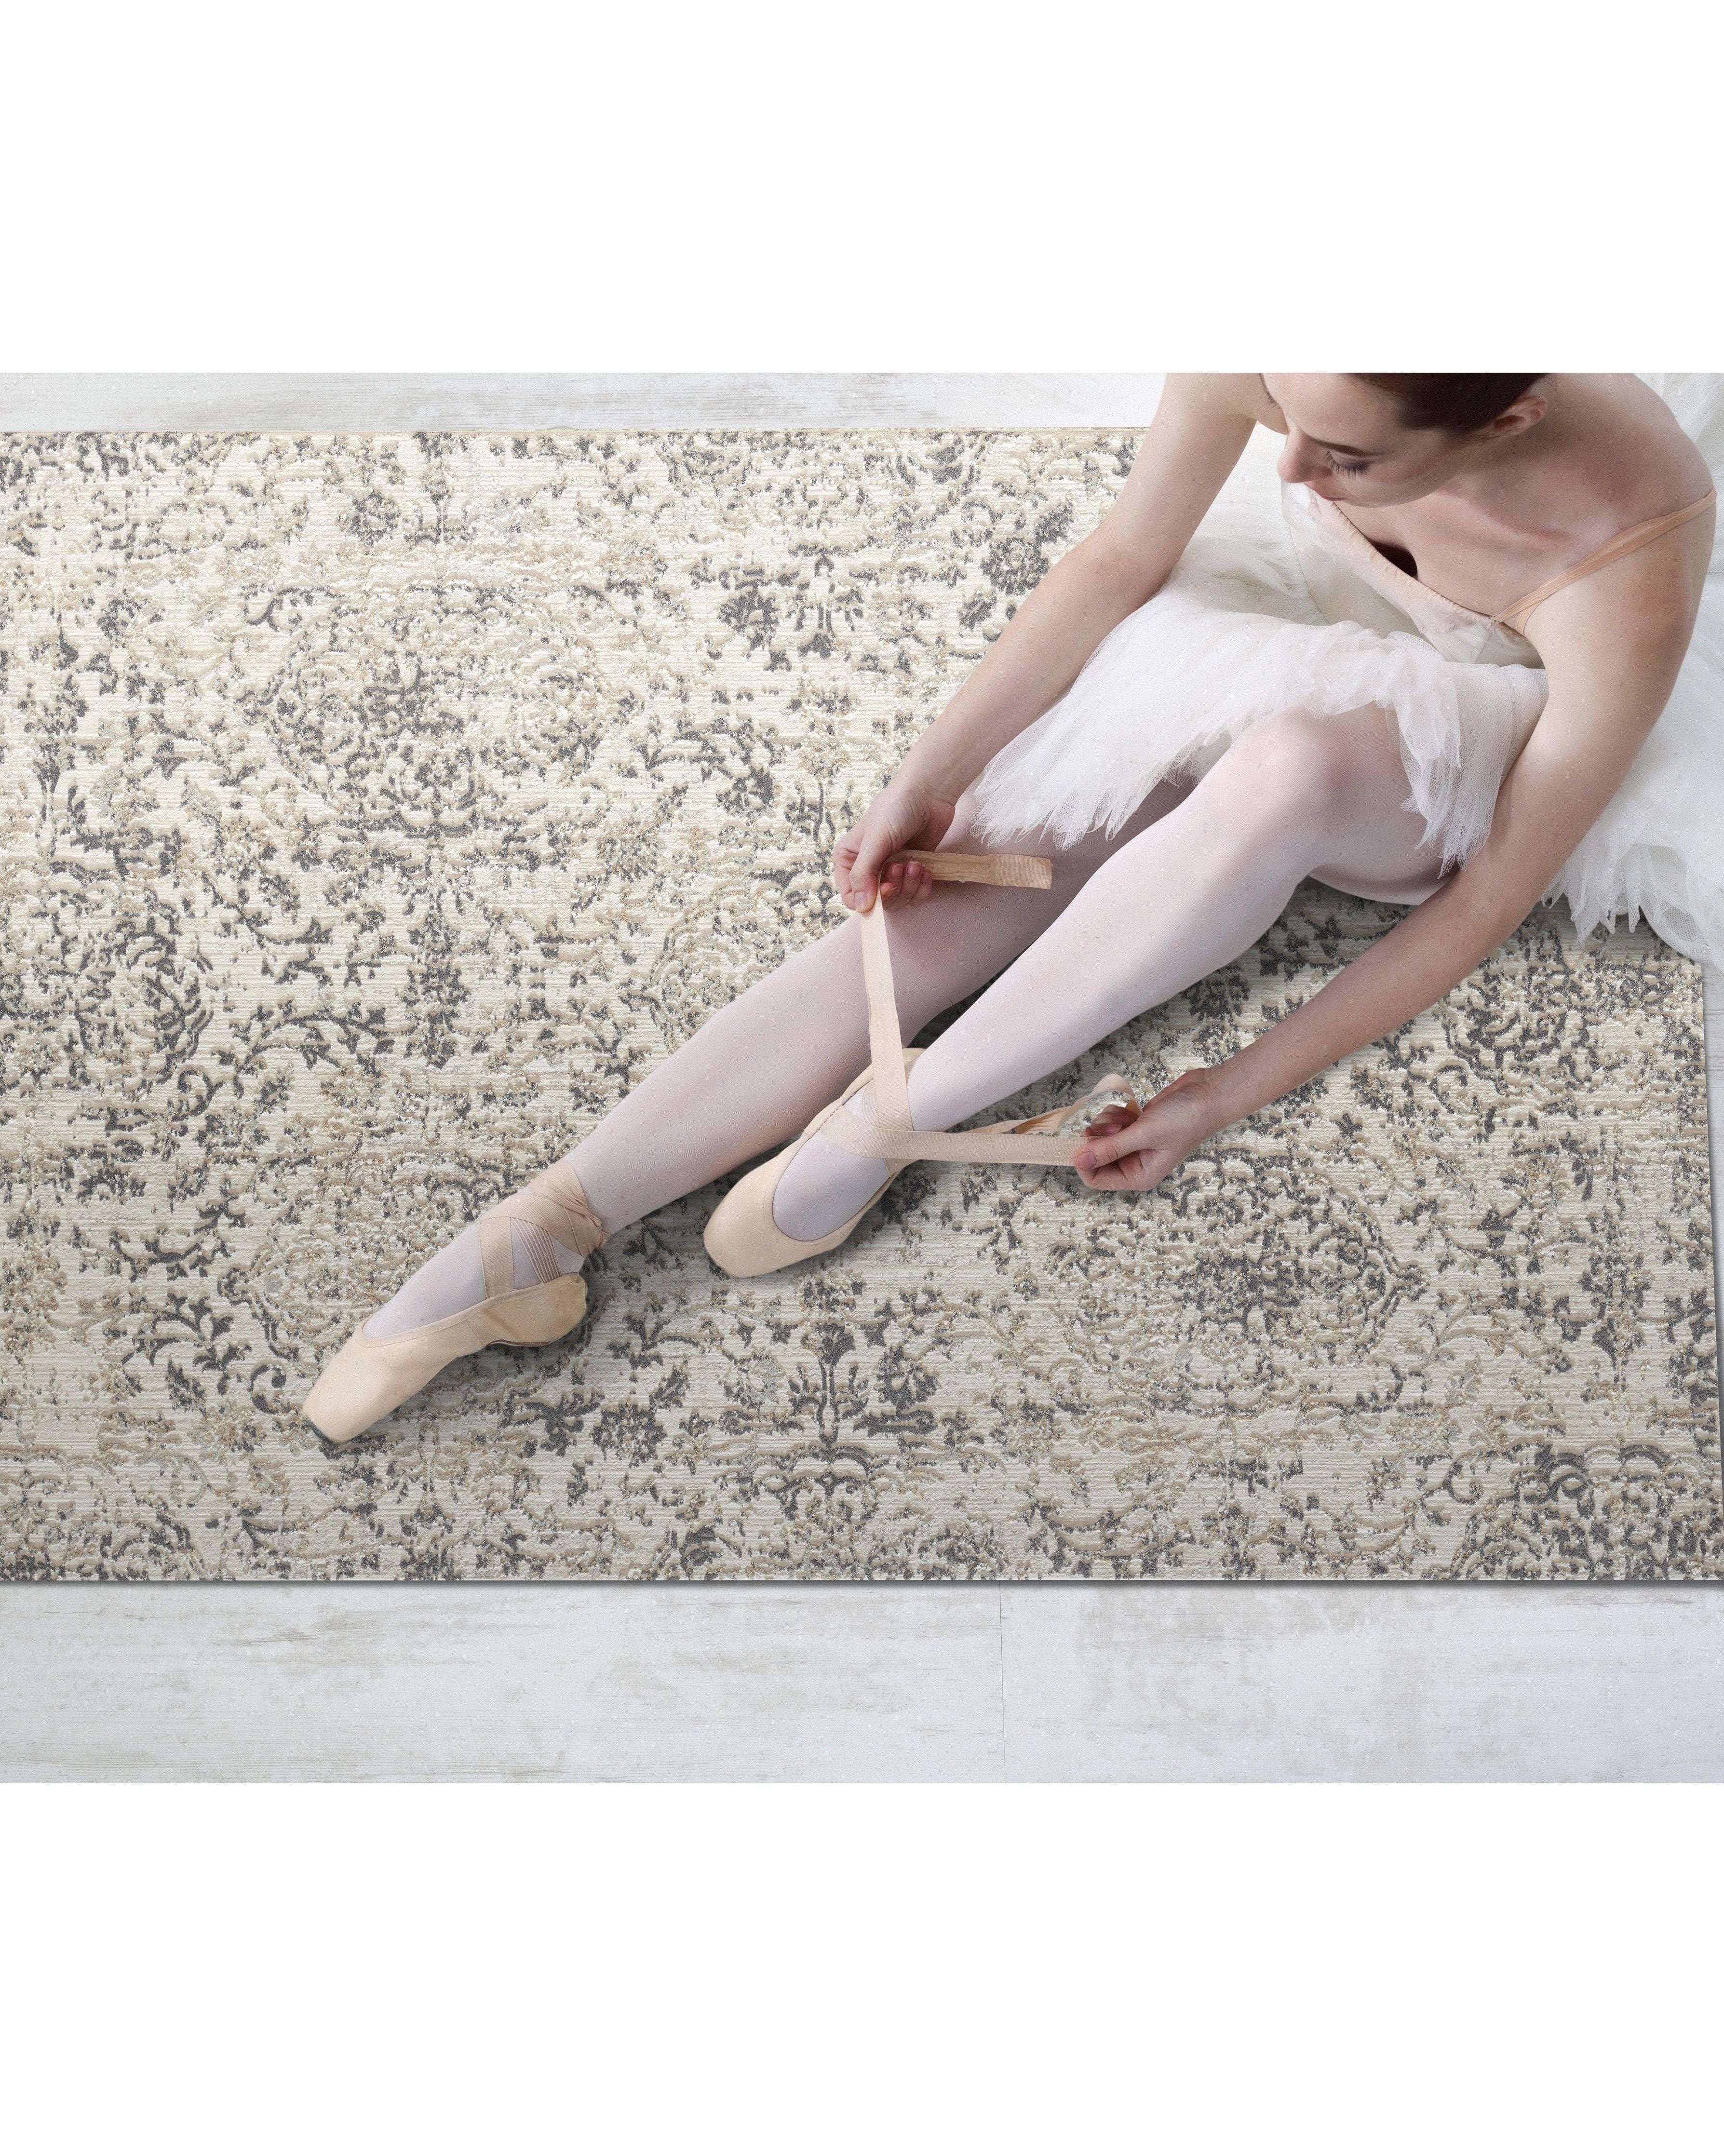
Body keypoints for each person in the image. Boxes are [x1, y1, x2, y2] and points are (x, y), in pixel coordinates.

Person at [302, 373, 1721, 1444]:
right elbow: (1118, 561)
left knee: (1283, 770)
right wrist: (927, 777)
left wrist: (1218, 1094)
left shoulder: (1629, 547)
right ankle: (531, 1234)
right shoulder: (1288, 341)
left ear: (1509, 421)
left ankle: (908, 1108)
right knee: (999, 860)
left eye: (1344, 458)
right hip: (1294, 623)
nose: (1289, 464)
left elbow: (1484, 902)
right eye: (1291, 417)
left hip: (1453, 742)